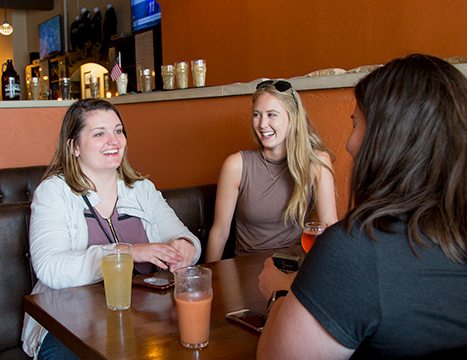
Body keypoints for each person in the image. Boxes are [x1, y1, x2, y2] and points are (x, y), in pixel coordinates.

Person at [257, 54, 467, 359]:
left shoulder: (357, 250)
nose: (349, 143)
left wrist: (279, 293)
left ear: (386, 139)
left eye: (355, 124)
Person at [21, 99, 201, 359]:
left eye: (118, 131)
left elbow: (183, 237)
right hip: (70, 322)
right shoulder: (53, 192)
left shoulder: (141, 188)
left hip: (143, 315)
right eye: (99, 134)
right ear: (73, 146)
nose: (114, 141)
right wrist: (129, 252)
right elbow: (50, 267)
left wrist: (186, 247)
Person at [204, 80, 337, 262]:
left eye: (271, 115)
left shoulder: (317, 162)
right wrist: (209, 279)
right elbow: (219, 233)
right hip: (248, 268)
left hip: (297, 265)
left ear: (293, 118)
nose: (262, 124)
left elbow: (329, 227)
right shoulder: (236, 165)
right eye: (257, 115)